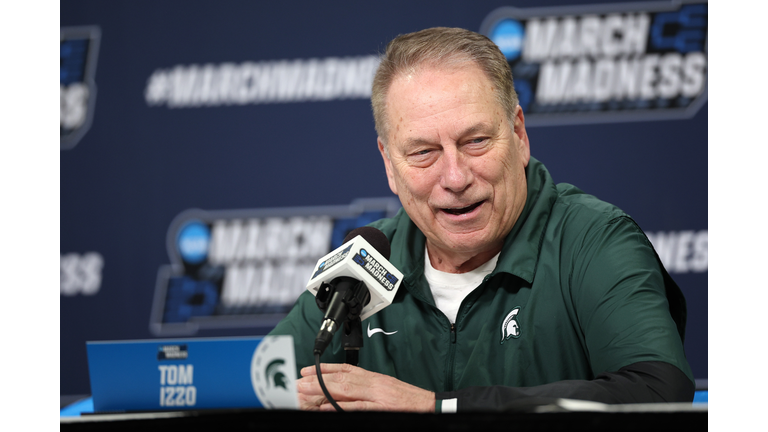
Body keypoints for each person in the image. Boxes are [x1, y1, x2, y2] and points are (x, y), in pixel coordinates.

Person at [268, 27, 694, 412]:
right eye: (422, 153)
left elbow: (657, 391)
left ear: (519, 135)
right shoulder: (363, 265)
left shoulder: (592, 240)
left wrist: (437, 408)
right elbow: (256, 384)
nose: (454, 178)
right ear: (389, 165)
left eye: (475, 141)